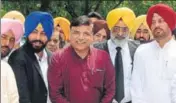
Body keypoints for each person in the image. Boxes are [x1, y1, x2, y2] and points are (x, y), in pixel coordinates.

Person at [48, 15, 115, 103]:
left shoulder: (103, 57)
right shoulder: (57, 58)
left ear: (92, 37)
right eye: (76, 33)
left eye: (86, 34)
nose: (81, 37)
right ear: (70, 35)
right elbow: (55, 94)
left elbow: (110, 91)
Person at [131, 4, 176, 103]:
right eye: (153, 22)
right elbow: (136, 87)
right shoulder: (141, 51)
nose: (156, 25)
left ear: (170, 23)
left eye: (160, 21)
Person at [94, 7, 139, 103]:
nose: (120, 33)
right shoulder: (96, 49)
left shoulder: (137, 49)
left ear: (130, 30)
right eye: (116, 29)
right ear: (110, 28)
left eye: (124, 29)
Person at [8, 11, 54, 103]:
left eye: (43, 33)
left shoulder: (52, 57)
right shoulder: (17, 58)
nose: (38, 37)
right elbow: (23, 97)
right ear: (27, 32)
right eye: (34, 32)